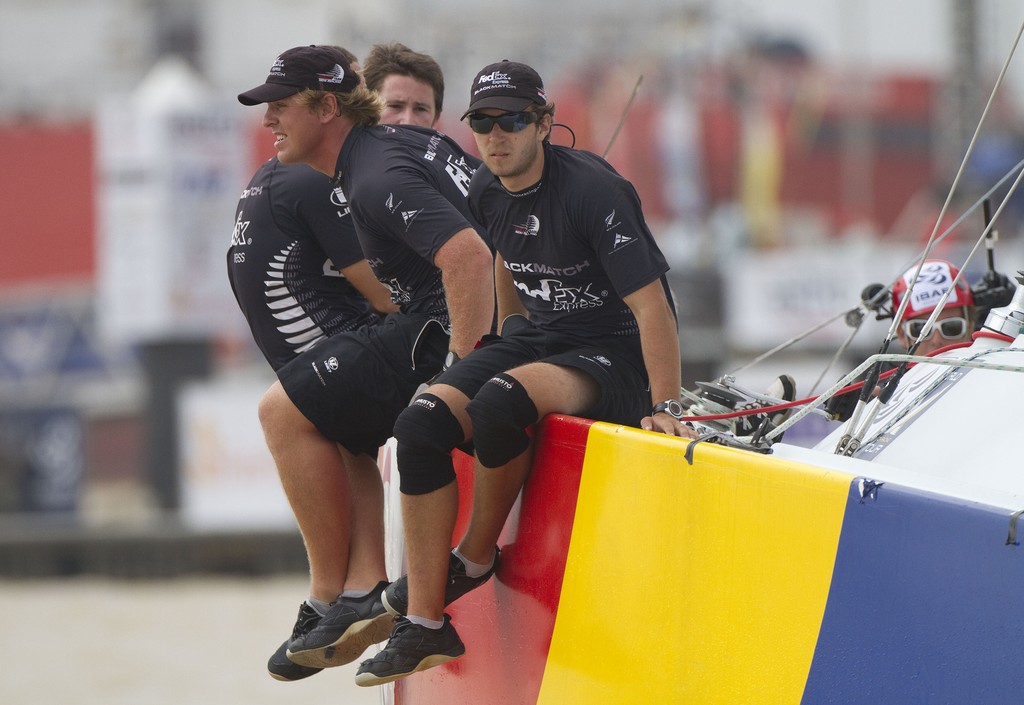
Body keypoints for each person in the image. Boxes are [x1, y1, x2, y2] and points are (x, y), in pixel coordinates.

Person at [354, 59, 697, 687]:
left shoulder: (595, 191)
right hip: (542, 337)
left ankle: (474, 557)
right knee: (419, 422)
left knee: (498, 403)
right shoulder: (486, 187)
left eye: (511, 121)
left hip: (611, 350)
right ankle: (425, 622)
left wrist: (668, 405)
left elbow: (653, 308)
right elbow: (505, 259)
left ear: (543, 123)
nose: (495, 135)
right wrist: (507, 333)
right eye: (482, 122)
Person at [231, 43, 487, 682]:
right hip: (442, 319)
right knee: (335, 416)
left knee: (283, 412)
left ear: (327, 107)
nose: (268, 119)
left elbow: (471, 256)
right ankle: (363, 590)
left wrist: (465, 365)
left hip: (435, 324)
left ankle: (341, 593)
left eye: (280, 105)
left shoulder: (372, 174)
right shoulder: (397, 153)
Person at [825, 259, 976, 421]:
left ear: (970, 326)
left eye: (952, 327)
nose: (937, 340)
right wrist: (866, 410)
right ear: (902, 335)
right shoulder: (883, 386)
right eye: (920, 329)